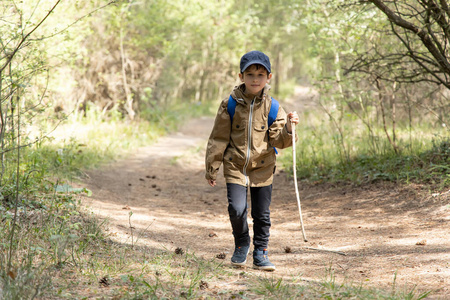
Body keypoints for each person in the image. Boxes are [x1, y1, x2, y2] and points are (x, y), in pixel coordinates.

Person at [205, 50, 299, 271]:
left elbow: (280, 140)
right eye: (250, 74)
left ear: (269, 77)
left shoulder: (274, 108)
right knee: (237, 209)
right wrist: (212, 168)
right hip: (235, 165)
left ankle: (261, 252)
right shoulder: (229, 104)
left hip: (263, 167)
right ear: (241, 77)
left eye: (260, 74)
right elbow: (218, 138)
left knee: (261, 214)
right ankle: (241, 244)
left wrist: (288, 127)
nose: (255, 79)